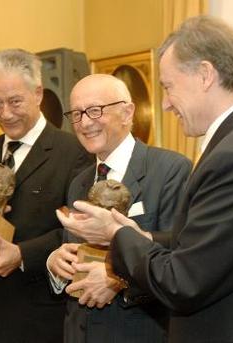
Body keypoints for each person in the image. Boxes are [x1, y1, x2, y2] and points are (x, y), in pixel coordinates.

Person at [57, 15, 233, 343]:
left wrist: (115, 234)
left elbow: (183, 282)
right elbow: (206, 246)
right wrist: (136, 234)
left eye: (169, 86)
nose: (166, 104)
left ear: (204, 74)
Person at [0, 49, 92, 343]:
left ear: (38, 93)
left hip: (41, 317)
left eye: (15, 101)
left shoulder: (74, 153)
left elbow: (79, 232)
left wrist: (22, 255)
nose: (5, 113)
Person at [47, 73, 192, 343]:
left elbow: (180, 254)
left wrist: (118, 279)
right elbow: (77, 251)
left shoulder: (170, 170)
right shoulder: (79, 181)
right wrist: (57, 264)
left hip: (138, 331)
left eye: (94, 110)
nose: (85, 123)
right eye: (76, 114)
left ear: (127, 112)